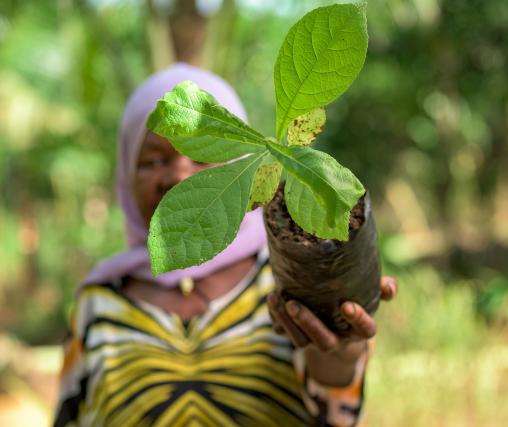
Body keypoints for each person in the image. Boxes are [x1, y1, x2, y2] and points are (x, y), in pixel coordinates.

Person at [53, 63, 397, 427]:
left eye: (203, 154)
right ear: (126, 175)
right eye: (153, 160)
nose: (178, 175)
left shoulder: (288, 281)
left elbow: (336, 410)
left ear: (242, 164)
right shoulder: (96, 304)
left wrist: (339, 350)